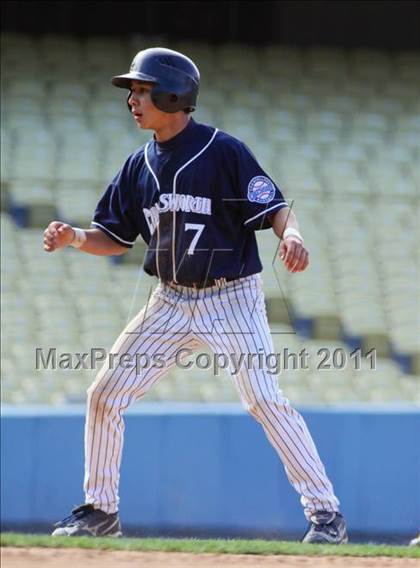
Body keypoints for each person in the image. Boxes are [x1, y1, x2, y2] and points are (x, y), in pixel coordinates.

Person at [44, 47, 348, 544]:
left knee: (263, 400)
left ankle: (326, 515)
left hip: (230, 297)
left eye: (142, 90)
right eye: (134, 92)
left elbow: (273, 204)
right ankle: (101, 510)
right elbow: (115, 237)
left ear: (172, 93)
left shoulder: (222, 150)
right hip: (169, 300)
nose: (134, 100)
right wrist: (75, 237)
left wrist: (290, 235)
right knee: (104, 394)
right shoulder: (137, 165)